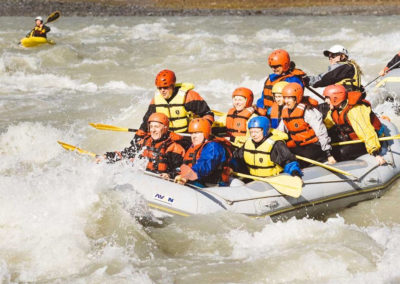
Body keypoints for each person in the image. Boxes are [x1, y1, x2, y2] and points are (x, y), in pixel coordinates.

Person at [137, 70, 214, 142]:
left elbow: (208, 114)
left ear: (173, 86)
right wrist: (137, 139)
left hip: (187, 136)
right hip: (167, 137)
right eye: (160, 88)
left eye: (165, 87)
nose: (162, 91)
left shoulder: (188, 96)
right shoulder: (156, 100)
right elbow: (145, 123)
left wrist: (202, 132)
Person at [101, 113, 185, 179]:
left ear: (165, 128)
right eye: (151, 127)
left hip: (162, 181)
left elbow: (180, 169)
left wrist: (170, 175)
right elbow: (127, 153)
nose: (153, 130)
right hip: (145, 177)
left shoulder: (174, 148)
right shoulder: (144, 142)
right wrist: (108, 156)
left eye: (156, 127)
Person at [323, 85, 386, 165]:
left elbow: (366, 131)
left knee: (342, 152)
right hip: (352, 139)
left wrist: (375, 153)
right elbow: (327, 124)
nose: (325, 101)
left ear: (335, 98)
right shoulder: (335, 110)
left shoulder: (354, 110)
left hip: (370, 140)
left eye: (327, 98)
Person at [277, 83, 336, 166]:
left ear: (297, 98)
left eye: (289, 98)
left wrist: (328, 153)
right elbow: (280, 131)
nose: (286, 101)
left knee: (299, 157)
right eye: (285, 98)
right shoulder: (285, 110)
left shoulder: (308, 112)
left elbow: (321, 132)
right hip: (300, 146)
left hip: (315, 146)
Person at [232, 116, 302, 178]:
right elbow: (237, 157)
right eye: (251, 132)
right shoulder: (248, 142)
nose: (253, 135)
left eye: (256, 132)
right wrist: (231, 166)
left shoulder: (276, 144)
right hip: (254, 179)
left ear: (265, 130)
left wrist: (295, 173)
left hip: (273, 179)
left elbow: (288, 161)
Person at [174, 118, 231, 187]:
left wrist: (188, 175)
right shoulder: (194, 146)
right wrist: (171, 175)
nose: (194, 136)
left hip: (213, 185)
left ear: (206, 132)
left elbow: (205, 164)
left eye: (197, 133)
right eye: (191, 133)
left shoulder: (213, 146)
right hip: (197, 180)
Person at [256, 49, 305, 115]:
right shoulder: (270, 79)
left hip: (281, 113)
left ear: (285, 64)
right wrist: (259, 108)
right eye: (272, 66)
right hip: (267, 112)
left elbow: (294, 101)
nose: (274, 69)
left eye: (276, 66)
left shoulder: (293, 80)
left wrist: (274, 109)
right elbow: (263, 97)